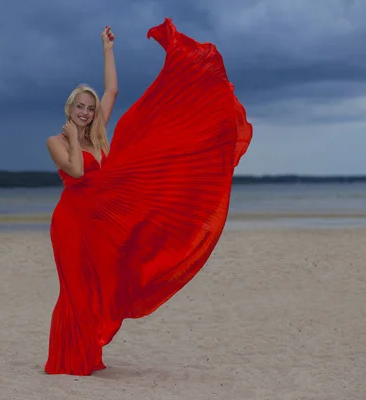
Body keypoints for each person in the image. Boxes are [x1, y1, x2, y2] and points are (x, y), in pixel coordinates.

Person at [44, 18, 253, 376]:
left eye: (89, 108)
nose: (86, 112)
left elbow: (111, 92)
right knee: (75, 288)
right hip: (71, 222)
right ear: (69, 108)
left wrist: (108, 50)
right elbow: (77, 172)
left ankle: (87, 350)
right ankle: (70, 359)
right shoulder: (56, 141)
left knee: (104, 284)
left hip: (101, 223)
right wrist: (73, 137)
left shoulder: (97, 136)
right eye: (80, 107)